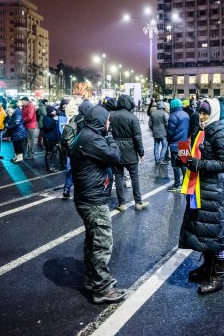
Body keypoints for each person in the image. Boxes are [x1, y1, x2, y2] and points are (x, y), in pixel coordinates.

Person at [70, 104, 126, 304]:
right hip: (92, 200)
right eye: (107, 120)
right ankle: (102, 288)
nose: (109, 123)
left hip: (88, 197)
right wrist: (110, 136)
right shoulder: (92, 138)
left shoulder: (87, 134)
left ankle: (92, 279)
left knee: (92, 241)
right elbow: (115, 156)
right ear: (100, 120)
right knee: (102, 242)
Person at [179, 98, 224, 295]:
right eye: (200, 112)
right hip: (199, 187)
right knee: (203, 230)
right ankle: (206, 268)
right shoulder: (203, 130)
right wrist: (184, 159)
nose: (201, 117)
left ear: (214, 114)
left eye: (205, 113)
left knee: (216, 233)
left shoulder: (218, 133)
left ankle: (218, 278)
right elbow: (197, 155)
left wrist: (200, 165)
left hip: (211, 189)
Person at [110, 94, 149, 212]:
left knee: (119, 177)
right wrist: (141, 152)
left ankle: (121, 204)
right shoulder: (132, 117)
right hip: (130, 150)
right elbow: (137, 137)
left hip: (115, 150)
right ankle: (138, 202)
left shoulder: (111, 116)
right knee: (134, 176)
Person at [167, 98, 190, 192]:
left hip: (175, 144)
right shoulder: (186, 114)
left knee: (176, 165)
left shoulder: (173, 116)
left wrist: (168, 139)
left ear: (173, 106)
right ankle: (186, 183)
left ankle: (177, 185)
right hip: (184, 143)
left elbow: (170, 132)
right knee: (184, 164)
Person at [148, 100, 169, 165]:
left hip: (155, 133)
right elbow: (166, 124)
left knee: (156, 146)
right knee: (165, 145)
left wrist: (153, 129)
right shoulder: (164, 113)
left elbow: (150, 123)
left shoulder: (153, 113)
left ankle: (157, 160)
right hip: (163, 133)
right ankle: (161, 159)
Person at [42, 106, 61, 173]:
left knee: (54, 152)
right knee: (49, 153)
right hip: (49, 139)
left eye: (55, 110)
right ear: (50, 111)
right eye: (53, 111)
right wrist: (55, 121)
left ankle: (53, 165)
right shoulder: (46, 118)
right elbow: (48, 127)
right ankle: (49, 167)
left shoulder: (55, 118)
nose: (54, 112)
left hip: (55, 139)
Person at [21, 96, 38, 160]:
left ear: (26, 101)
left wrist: (22, 120)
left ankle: (31, 154)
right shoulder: (24, 106)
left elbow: (30, 117)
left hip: (31, 126)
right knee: (25, 140)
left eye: (22, 101)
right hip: (26, 125)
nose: (22, 102)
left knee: (30, 141)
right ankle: (24, 153)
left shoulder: (31, 106)